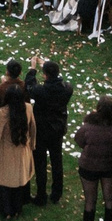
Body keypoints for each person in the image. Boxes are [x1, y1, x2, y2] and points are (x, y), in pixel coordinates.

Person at [74, 98, 112, 221]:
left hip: (89, 167)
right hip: (110, 167)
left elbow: (79, 141)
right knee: (109, 198)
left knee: (90, 200)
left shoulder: (88, 127)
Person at [0, 81, 37, 217]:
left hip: (6, 151)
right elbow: (33, 127)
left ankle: (6, 210)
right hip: (22, 150)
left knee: (5, 183)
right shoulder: (28, 108)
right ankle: (17, 209)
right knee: (19, 181)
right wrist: (32, 145)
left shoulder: (2, 113)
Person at [32, 60, 73, 204]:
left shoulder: (40, 91)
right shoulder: (67, 88)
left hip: (42, 130)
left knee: (40, 162)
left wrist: (32, 69)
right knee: (57, 161)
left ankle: (41, 195)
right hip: (57, 129)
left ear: (45, 75)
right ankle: (56, 193)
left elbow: (29, 87)